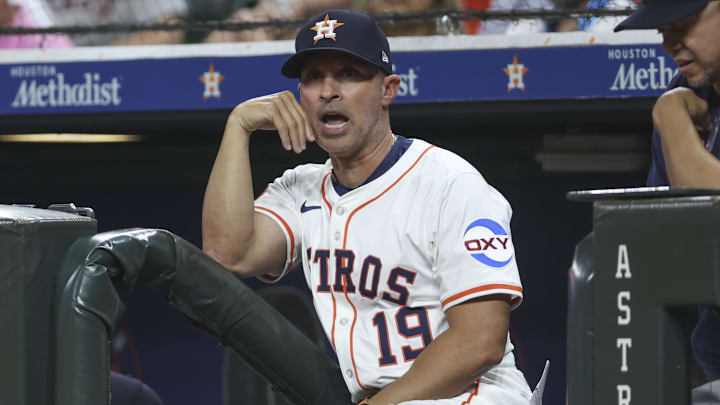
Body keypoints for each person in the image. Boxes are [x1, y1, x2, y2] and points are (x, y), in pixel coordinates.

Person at [202, 9, 533, 405]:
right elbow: (227, 254)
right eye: (313, 77)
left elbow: (482, 341)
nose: (328, 90)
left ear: (388, 89)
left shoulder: (450, 185)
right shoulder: (301, 188)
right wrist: (238, 126)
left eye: (348, 73)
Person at [614, 0, 720, 400]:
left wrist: (671, 114)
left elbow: (708, 206)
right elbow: (661, 237)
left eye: (681, 25)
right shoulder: (686, 96)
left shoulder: (674, 107)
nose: (669, 44)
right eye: (662, 32)